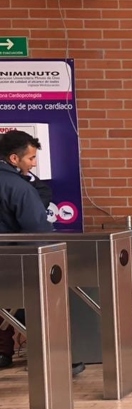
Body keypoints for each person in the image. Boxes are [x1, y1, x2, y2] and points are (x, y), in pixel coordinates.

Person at [0, 130, 53, 370]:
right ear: (14, 159)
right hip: (13, 262)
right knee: (28, 308)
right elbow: (37, 230)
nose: (34, 163)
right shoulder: (19, 187)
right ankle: (56, 357)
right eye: (31, 158)